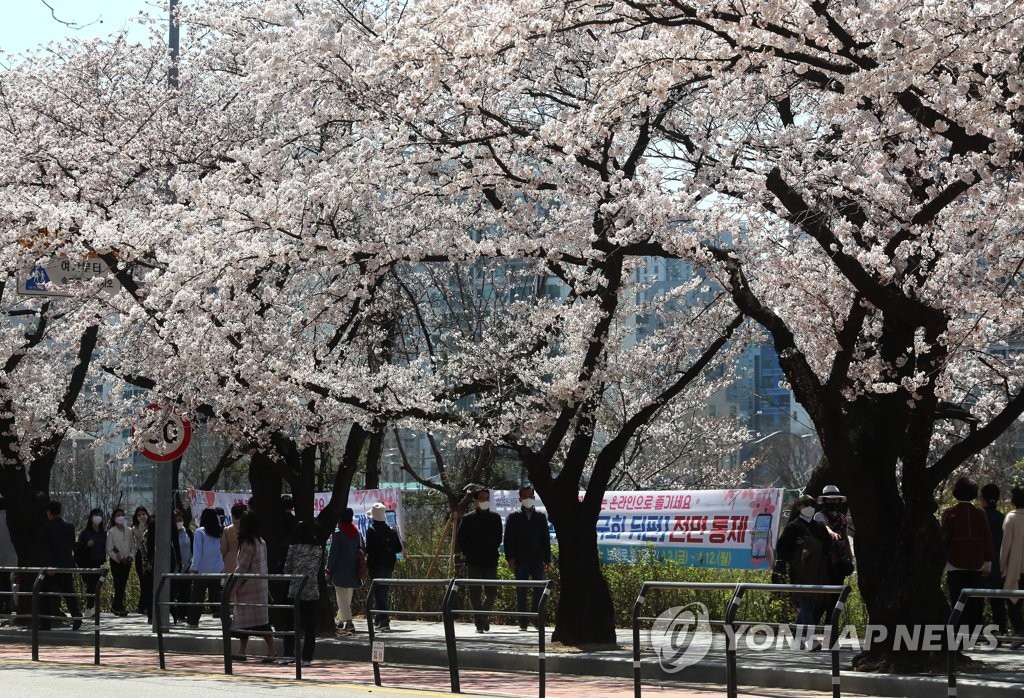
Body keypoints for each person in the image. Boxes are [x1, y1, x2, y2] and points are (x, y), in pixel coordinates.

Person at [775, 495, 832, 637]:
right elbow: (781, 548)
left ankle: (796, 635)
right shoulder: (793, 526)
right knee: (805, 601)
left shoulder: (819, 526)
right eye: (805, 505)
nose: (810, 508)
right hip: (799, 571)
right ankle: (811, 638)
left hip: (817, 570)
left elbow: (827, 545)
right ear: (798, 507)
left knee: (811, 604)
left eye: (812, 505)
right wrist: (795, 557)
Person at [942, 477, 994, 631]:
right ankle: (974, 634)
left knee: (958, 602)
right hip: (976, 564)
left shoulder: (950, 513)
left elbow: (944, 539)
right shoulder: (980, 514)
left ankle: (959, 635)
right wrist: (988, 562)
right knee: (974, 603)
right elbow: (987, 538)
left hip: (954, 564)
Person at [503, 486, 551, 631]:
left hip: (537, 559)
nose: (528, 499)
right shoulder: (513, 516)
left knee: (539, 590)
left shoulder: (541, 516)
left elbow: (545, 540)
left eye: (530, 496)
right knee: (521, 591)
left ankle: (535, 617)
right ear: (520, 499)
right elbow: (508, 539)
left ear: (534, 498)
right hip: (520, 559)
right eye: (525, 496)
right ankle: (523, 621)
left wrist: (547, 560)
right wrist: (510, 558)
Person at [457, 487, 503, 633]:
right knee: (475, 593)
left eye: (487, 498)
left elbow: (498, 538)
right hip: (473, 561)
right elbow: (461, 539)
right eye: (482, 498)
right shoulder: (468, 518)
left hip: (490, 560)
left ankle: (483, 616)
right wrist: (469, 552)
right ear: (476, 501)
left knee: (492, 593)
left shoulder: (495, 518)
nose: (485, 501)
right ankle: (479, 623)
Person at [231, 513, 276, 662]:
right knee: (259, 623)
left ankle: (270, 651)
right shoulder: (261, 541)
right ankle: (244, 651)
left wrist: (232, 587)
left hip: (247, 589)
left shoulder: (247, 544)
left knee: (253, 623)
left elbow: (242, 568)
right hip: (260, 588)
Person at [37, 500, 82, 630]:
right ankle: (76, 615)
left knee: (44, 594)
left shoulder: (46, 528)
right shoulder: (69, 527)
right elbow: (71, 546)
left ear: (49, 513)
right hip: (65, 565)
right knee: (68, 592)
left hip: (51, 566)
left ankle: (45, 623)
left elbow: (46, 549)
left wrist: (47, 565)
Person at [283, 521, 321, 666]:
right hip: (312, 590)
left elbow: (287, 569)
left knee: (291, 624)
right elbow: (317, 568)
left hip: (295, 590)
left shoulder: (293, 549)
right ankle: (307, 657)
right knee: (310, 627)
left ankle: (288, 654)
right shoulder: (318, 549)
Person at [365, 502, 402, 631]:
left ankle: (384, 619)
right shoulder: (391, 531)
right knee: (383, 591)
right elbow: (398, 548)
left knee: (377, 592)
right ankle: (379, 618)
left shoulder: (371, 531)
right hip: (389, 565)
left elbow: (368, 549)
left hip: (375, 565)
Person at [325, 507, 362, 633]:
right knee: (347, 596)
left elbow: (333, 554)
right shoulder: (357, 533)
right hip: (353, 570)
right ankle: (340, 620)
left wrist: (328, 569)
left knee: (341, 597)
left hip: (340, 571)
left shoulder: (338, 534)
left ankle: (349, 622)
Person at [187, 507, 225, 627]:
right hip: (216, 570)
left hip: (202, 570)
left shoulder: (200, 532)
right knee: (217, 597)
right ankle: (226, 621)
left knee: (197, 597)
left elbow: (197, 552)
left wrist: (193, 567)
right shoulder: (220, 531)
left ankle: (193, 622)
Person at [813, 485, 855, 584]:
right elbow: (824, 526)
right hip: (824, 558)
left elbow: (845, 537)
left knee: (838, 585)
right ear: (824, 501)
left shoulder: (842, 518)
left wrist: (850, 556)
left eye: (835, 500)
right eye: (830, 500)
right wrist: (832, 533)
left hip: (840, 558)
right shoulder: (819, 515)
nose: (833, 502)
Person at [980, 483, 1007, 636]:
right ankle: (1000, 631)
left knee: (976, 599)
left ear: (982, 498)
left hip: (981, 559)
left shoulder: (979, 515)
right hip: (998, 561)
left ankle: (973, 633)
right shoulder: (1002, 517)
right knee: (997, 600)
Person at [1001, 486, 1024, 645]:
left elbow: (1006, 546)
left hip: (1017, 569)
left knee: (1013, 602)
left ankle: (1019, 632)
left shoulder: (1011, 517)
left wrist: (1002, 567)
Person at [75, 508, 107, 616]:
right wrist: (86, 545)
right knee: (90, 585)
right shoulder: (85, 533)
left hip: (99, 562)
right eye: (95, 515)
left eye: (100, 515)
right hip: (87, 563)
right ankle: (89, 607)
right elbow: (78, 549)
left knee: (96, 586)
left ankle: (92, 607)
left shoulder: (103, 533)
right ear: (91, 517)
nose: (98, 517)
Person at [105, 507, 134, 616]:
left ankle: (117, 605)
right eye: (118, 515)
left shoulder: (129, 530)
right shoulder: (111, 532)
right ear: (113, 518)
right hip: (116, 562)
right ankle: (117, 606)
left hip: (127, 562)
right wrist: (119, 559)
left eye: (122, 515)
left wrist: (130, 557)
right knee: (118, 584)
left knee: (123, 584)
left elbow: (133, 547)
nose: (120, 517)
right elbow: (109, 549)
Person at [170, 511, 193, 624]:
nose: (179, 522)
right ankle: (174, 613)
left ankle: (183, 614)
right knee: (173, 592)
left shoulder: (187, 531)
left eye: (180, 520)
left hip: (187, 567)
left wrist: (191, 564)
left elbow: (192, 548)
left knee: (186, 592)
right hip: (173, 569)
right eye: (176, 520)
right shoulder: (169, 533)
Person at [131, 506, 152, 619]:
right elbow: (138, 537)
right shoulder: (135, 527)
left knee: (149, 581)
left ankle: (147, 604)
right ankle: (142, 605)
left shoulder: (151, 525)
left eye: (143, 514)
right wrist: (142, 525)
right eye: (139, 515)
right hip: (140, 555)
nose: (142, 516)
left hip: (149, 555)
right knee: (143, 581)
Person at [220, 503, 247, 577]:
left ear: (232, 515)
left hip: (230, 562)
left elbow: (223, 549)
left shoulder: (227, 529)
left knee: (230, 586)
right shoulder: (248, 529)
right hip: (245, 561)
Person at [0, 498, 16, 614]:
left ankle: (3, 605)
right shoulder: (11, 519)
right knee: (6, 581)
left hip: (2, 556)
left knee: (3, 582)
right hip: (11, 556)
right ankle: (8, 604)